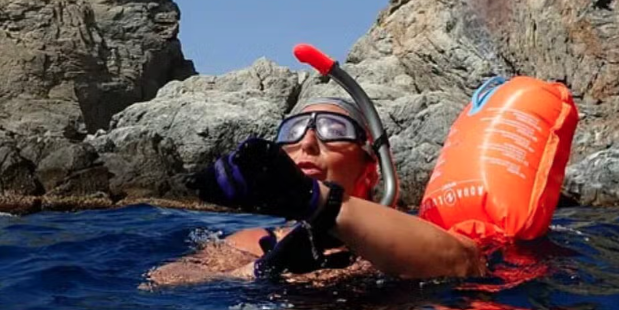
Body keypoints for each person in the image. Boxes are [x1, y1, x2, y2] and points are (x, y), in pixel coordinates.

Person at [145, 97, 486, 287]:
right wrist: (264, 270)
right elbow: (162, 280)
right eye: (293, 131)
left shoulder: (417, 235)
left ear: (371, 168)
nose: (308, 142)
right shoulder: (258, 242)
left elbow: (465, 262)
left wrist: (317, 202)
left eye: (333, 130)